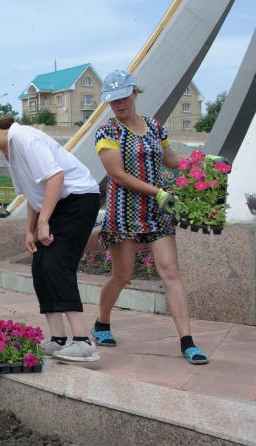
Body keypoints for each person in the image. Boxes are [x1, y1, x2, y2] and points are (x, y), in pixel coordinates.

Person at [0, 113, 101, 362]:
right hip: (57, 203)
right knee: (41, 268)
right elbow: (33, 194)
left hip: (79, 198)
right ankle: (57, 339)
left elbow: (56, 177)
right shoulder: (8, 153)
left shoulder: (23, 138)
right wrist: (29, 230)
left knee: (58, 264)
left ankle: (83, 342)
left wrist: (44, 222)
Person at [93, 70, 208, 365]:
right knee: (123, 276)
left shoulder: (155, 127)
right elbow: (116, 173)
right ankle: (102, 322)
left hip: (157, 211)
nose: (119, 103)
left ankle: (187, 341)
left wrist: (199, 165)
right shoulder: (108, 132)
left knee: (170, 273)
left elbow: (168, 159)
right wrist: (156, 191)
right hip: (124, 212)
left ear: (134, 93)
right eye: (113, 100)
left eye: (123, 96)